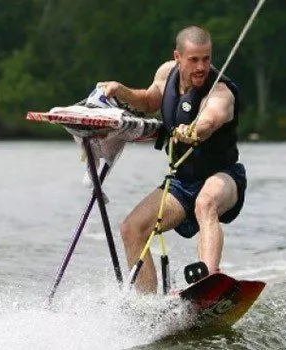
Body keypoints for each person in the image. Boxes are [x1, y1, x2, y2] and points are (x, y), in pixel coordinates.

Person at [98, 25, 246, 294]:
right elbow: (147, 101)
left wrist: (193, 130)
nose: (201, 66)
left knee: (205, 203)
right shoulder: (167, 74)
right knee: (132, 228)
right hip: (182, 183)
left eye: (207, 58)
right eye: (194, 59)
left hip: (223, 177)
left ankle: (208, 282)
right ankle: (148, 306)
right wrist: (121, 91)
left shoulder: (221, 92)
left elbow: (211, 119)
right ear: (178, 57)